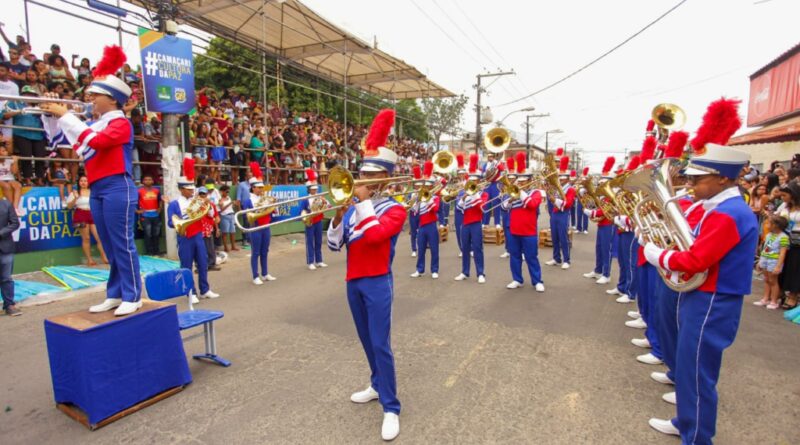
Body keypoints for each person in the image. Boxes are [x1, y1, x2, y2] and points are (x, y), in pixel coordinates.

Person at [644, 98, 758, 444]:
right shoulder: (717, 207)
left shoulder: (730, 213)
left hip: (713, 298)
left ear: (723, 179)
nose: (690, 184)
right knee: (691, 367)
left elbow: (695, 261)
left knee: (697, 373)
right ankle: (685, 422)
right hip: (704, 295)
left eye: (698, 178)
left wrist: (657, 255)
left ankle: (697, 437)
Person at [40, 45, 143, 316]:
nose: (90, 99)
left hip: (118, 185)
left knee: (122, 242)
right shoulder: (95, 123)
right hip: (98, 187)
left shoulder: (120, 123)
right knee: (108, 245)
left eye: (95, 95)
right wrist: (52, 113)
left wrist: (66, 114)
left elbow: (94, 141)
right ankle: (115, 293)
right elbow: (66, 139)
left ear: (111, 99)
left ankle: (133, 294)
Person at [326, 109, 406, 441]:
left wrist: (360, 204)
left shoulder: (395, 209)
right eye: (360, 175)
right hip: (352, 282)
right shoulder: (357, 208)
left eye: (368, 177)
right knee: (364, 340)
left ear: (383, 180)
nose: (360, 182)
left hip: (377, 281)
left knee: (380, 343)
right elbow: (334, 246)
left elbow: (374, 237)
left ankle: (391, 407)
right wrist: (336, 216)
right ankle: (376, 385)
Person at [167, 161, 219, 301]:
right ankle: (191, 293)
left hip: (198, 235)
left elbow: (209, 215)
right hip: (184, 237)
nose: (192, 191)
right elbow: (171, 222)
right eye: (189, 189)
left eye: (192, 189)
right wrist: (185, 219)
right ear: (181, 189)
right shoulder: (174, 204)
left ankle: (205, 289)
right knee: (186, 266)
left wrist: (208, 208)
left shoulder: (197, 201)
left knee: (203, 263)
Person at [501, 156, 545, 292]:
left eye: (523, 181)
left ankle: (537, 281)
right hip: (514, 230)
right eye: (519, 182)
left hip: (529, 231)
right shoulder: (512, 193)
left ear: (530, 181)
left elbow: (532, 204)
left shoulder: (536, 193)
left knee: (531, 257)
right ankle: (517, 279)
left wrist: (520, 193)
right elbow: (503, 207)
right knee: (514, 256)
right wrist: (509, 201)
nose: (520, 184)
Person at [2, 85, 46, 185]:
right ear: (22, 95)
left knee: (40, 156)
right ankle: (28, 178)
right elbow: (4, 115)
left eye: (31, 95)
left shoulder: (39, 105)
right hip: (21, 133)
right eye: (27, 94)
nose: (29, 96)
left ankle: (40, 178)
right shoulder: (15, 103)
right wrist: (18, 112)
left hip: (38, 134)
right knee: (26, 156)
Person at [582, 157, 616, 285]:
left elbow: (608, 209)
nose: (600, 185)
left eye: (603, 183)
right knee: (599, 248)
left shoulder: (612, 195)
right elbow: (600, 206)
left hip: (609, 224)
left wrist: (593, 213)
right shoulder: (604, 196)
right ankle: (598, 270)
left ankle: (606, 274)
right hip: (602, 224)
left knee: (606, 249)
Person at [455, 153, 487, 284]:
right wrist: (463, 198)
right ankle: (465, 272)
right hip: (465, 224)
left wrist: (474, 195)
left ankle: (480, 273)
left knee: (478, 248)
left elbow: (482, 207)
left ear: (479, 181)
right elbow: (459, 207)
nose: (473, 183)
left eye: (475, 181)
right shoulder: (464, 193)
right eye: (471, 181)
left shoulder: (483, 194)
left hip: (476, 224)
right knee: (465, 248)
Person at [241, 163, 276, 285]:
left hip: (266, 226)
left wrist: (271, 207)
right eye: (259, 188)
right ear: (253, 188)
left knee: (265, 251)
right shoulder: (248, 201)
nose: (261, 190)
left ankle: (265, 273)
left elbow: (271, 212)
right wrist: (260, 209)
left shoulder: (265, 198)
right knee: (255, 252)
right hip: (255, 227)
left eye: (262, 187)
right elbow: (248, 216)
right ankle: (255, 275)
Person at [66, 175, 108, 266]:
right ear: (79, 182)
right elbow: (69, 206)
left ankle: (104, 257)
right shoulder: (74, 192)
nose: (83, 183)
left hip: (93, 214)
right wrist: (76, 198)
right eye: (81, 181)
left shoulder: (93, 192)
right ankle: (89, 260)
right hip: (80, 215)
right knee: (86, 238)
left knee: (99, 237)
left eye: (85, 181)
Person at [410, 161, 440, 279]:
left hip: (432, 225)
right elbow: (414, 210)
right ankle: (419, 269)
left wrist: (428, 199)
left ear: (431, 186)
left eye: (428, 186)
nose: (426, 188)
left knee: (434, 248)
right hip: (422, 226)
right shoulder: (419, 197)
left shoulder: (435, 198)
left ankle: (434, 269)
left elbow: (436, 209)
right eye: (425, 186)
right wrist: (416, 200)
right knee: (421, 249)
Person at [544, 154, 575, 269]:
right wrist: (548, 192)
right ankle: (556, 258)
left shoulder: (570, 189)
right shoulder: (557, 187)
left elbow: (568, 204)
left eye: (562, 178)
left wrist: (555, 200)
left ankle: (567, 260)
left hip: (563, 214)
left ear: (567, 178)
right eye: (559, 178)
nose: (560, 180)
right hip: (555, 214)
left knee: (563, 237)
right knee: (554, 237)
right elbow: (551, 199)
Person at [754, 215, 789, 310]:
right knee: (766, 279)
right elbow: (766, 248)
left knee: (773, 281)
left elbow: (782, 253)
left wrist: (778, 266)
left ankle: (774, 301)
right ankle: (765, 298)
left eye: (769, 223)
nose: (766, 224)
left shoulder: (783, 237)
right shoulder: (769, 235)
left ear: (775, 225)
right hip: (766, 258)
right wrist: (760, 261)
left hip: (774, 260)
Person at [776, 182, 800, 309]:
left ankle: (793, 295)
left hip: (798, 241)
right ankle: (781, 292)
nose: (782, 198)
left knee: (795, 268)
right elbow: (776, 216)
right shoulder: (784, 207)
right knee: (782, 266)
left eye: (784, 195)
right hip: (784, 239)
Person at [300, 168, 327, 270]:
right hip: (310, 222)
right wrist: (306, 217)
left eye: (315, 189)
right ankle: (310, 262)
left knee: (319, 241)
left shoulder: (319, 197)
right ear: (309, 189)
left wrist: (324, 201)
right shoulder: (305, 199)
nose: (315, 190)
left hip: (318, 221)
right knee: (310, 242)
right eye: (313, 189)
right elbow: (302, 211)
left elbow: (328, 206)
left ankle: (319, 260)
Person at [0, 197, 20, 316]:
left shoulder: (6, 204)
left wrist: (1, 233)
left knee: (6, 278)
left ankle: (9, 305)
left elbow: (15, 223)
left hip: (5, 247)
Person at [137, 175, 162, 255]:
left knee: (156, 234)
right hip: (145, 215)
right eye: (146, 179)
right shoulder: (139, 191)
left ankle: (157, 251)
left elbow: (160, 200)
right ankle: (149, 252)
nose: (148, 181)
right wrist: (137, 211)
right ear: (143, 182)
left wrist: (160, 208)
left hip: (156, 215)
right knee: (148, 234)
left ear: (152, 181)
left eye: (150, 179)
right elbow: (133, 202)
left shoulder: (157, 191)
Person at [0, 144, 22, 212]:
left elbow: (14, 172)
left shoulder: (9, 160)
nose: (5, 152)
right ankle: (11, 208)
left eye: (5, 151)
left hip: (10, 178)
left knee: (18, 185)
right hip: (0, 179)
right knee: (7, 186)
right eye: (3, 151)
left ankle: (15, 208)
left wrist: (15, 161)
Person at [217, 184, 238, 253]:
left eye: (228, 192)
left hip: (231, 215)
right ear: (222, 192)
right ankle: (226, 247)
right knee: (225, 233)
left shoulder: (228, 197)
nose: (227, 193)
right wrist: (230, 204)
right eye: (226, 192)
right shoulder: (220, 200)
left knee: (233, 232)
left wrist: (234, 204)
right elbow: (221, 209)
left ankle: (233, 246)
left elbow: (231, 207)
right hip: (224, 216)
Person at [236, 166, 253, 247]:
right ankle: (244, 240)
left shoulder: (254, 185)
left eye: (251, 176)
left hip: (252, 206)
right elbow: (238, 197)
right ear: (246, 176)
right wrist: (239, 209)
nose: (250, 177)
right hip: (244, 207)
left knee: (251, 223)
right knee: (246, 223)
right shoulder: (241, 185)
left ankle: (250, 239)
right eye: (248, 176)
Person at [407, 164, 421, 258]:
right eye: (416, 184)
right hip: (413, 214)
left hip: (421, 213)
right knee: (413, 232)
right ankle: (413, 249)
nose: (417, 186)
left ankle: (421, 246)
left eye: (418, 184)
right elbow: (407, 202)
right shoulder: (411, 193)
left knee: (421, 231)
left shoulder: (423, 192)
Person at [576, 167, 590, 234]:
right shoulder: (579, 185)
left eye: (583, 179)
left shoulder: (588, 185)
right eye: (582, 179)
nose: (582, 180)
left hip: (586, 201)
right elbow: (576, 192)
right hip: (579, 201)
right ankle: (578, 228)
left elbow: (590, 193)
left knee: (585, 215)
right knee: (579, 215)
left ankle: (585, 228)